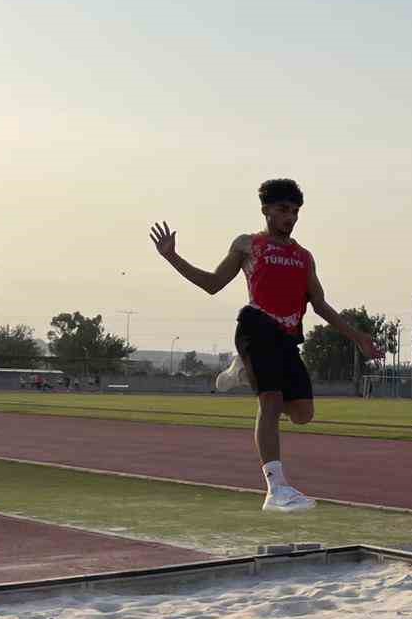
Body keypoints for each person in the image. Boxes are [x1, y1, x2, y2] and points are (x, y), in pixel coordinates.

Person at [150, 178, 382, 512]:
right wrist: (172, 257)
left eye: (295, 211)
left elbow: (320, 304)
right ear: (266, 210)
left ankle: (244, 372)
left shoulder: (304, 257)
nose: (291, 217)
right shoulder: (249, 245)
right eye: (283, 209)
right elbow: (213, 284)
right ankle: (276, 489)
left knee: (303, 414)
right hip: (256, 326)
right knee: (270, 402)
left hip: (287, 337)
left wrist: (358, 337)